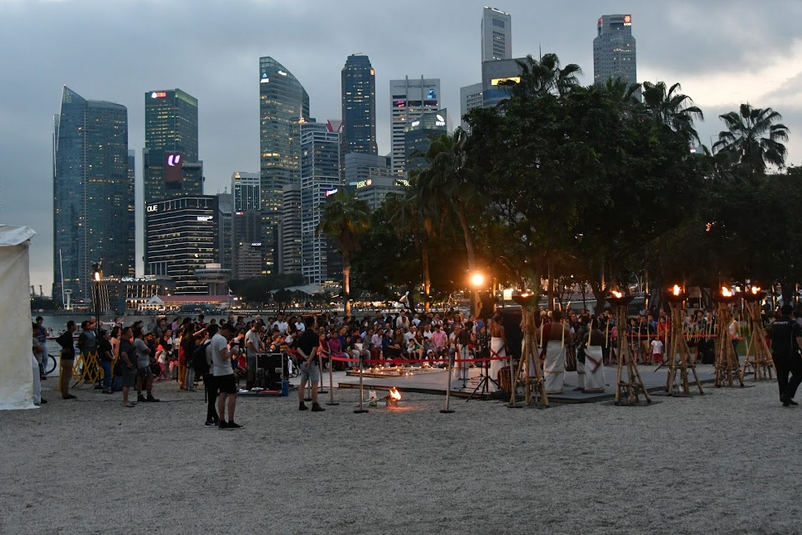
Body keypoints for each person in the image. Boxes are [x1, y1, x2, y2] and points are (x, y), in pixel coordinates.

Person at [211, 323, 243, 428]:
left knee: (223, 394)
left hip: (217, 370)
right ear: (227, 330)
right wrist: (232, 352)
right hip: (225, 370)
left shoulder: (214, 338)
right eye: (230, 334)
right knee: (232, 394)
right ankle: (230, 420)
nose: (229, 337)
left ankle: (222, 420)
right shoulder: (221, 340)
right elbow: (224, 356)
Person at [770, 304, 802, 407]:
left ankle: (784, 397)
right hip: (790, 353)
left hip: (777, 354)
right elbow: (798, 339)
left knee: (782, 376)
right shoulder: (793, 324)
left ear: (781, 312)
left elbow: (771, 339)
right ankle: (787, 394)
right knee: (799, 373)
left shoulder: (774, 324)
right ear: (792, 312)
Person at [297, 316, 325, 412]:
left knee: (302, 383)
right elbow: (314, 349)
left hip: (303, 361)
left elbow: (298, 348)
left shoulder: (302, 335)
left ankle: (301, 403)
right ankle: (315, 403)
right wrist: (309, 359)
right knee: (314, 383)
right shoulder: (314, 335)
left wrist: (305, 357)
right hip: (312, 362)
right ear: (313, 324)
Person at [541, 310, 570, 394]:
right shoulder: (563, 327)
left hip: (550, 347)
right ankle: (558, 387)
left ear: (552, 317)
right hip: (559, 346)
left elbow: (543, 339)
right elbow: (569, 339)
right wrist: (563, 341)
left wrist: (543, 349)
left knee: (549, 366)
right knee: (558, 366)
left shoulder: (547, 326)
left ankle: (549, 387)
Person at [133, 328, 159, 402]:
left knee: (140, 378)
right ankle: (148, 394)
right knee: (149, 377)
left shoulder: (136, 341)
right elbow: (147, 350)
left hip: (142, 361)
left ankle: (140, 394)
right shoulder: (139, 341)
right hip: (143, 362)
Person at [55, 320, 78, 399]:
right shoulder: (68, 334)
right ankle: (65, 393)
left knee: (66, 375)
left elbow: (58, 339)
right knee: (66, 376)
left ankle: (65, 392)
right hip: (68, 358)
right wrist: (67, 348)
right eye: (75, 325)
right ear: (71, 326)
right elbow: (59, 340)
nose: (76, 326)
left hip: (66, 357)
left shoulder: (67, 334)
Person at [488, 314, 508, 390]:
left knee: (494, 360)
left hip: (493, 342)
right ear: (499, 320)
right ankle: (500, 375)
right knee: (500, 360)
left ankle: (494, 375)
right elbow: (503, 337)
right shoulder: (501, 327)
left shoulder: (491, 326)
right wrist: (507, 345)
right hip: (499, 342)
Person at [119, 327, 137, 407]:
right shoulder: (125, 344)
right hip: (127, 366)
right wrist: (129, 363)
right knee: (126, 383)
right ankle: (125, 401)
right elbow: (123, 354)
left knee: (128, 383)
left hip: (129, 364)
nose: (132, 332)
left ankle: (127, 400)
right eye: (130, 331)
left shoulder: (128, 343)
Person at [245, 321, 264, 390]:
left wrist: (263, 349)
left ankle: (255, 382)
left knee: (255, 369)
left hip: (256, 355)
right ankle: (249, 384)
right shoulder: (250, 333)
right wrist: (257, 351)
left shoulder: (256, 333)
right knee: (251, 370)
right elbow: (250, 344)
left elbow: (259, 342)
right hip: (251, 354)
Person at [97, 329, 114, 394]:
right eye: (107, 334)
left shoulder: (103, 342)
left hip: (104, 359)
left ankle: (105, 386)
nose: (108, 335)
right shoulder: (104, 343)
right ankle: (107, 387)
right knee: (108, 374)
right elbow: (106, 352)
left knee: (106, 374)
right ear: (103, 335)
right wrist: (111, 357)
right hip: (105, 359)